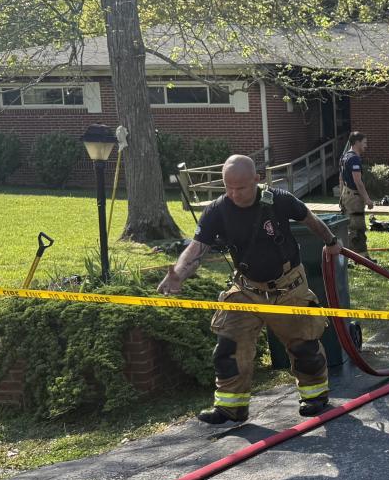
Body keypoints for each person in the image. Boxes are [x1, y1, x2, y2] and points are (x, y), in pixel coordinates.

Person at [158, 154, 339, 424]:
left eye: (240, 187)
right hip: (246, 289)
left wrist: (331, 241)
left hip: (288, 288)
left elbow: (309, 219)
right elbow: (196, 248)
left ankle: (315, 397)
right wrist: (178, 274)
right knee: (228, 344)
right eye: (227, 187)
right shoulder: (218, 210)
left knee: (304, 346)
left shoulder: (278, 200)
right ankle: (231, 407)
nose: (233, 193)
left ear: (257, 179)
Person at [337, 131, 373, 255]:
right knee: (358, 228)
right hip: (354, 197)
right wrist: (367, 199)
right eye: (364, 143)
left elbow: (341, 179)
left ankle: (349, 256)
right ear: (357, 143)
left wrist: (341, 197)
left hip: (345, 194)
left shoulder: (344, 157)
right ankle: (363, 258)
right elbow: (358, 182)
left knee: (348, 227)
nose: (366, 146)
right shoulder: (354, 159)